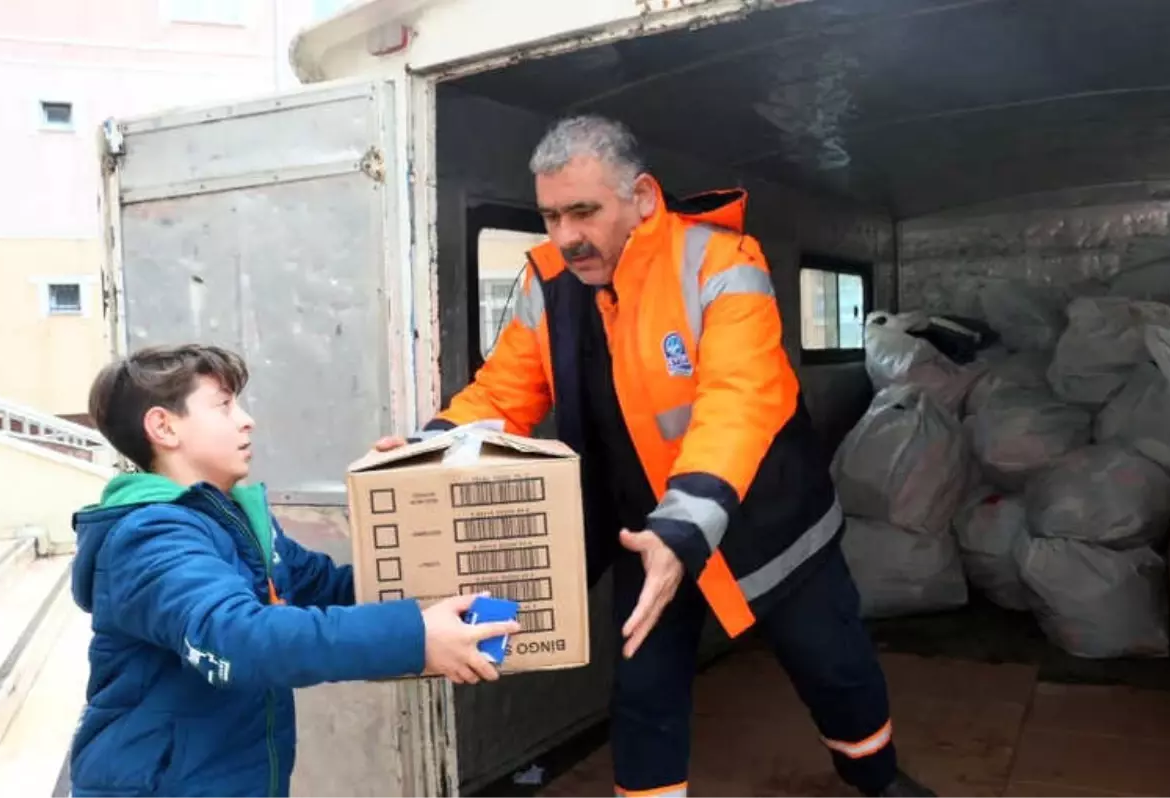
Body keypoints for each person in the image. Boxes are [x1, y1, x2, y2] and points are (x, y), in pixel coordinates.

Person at [377, 116, 935, 798]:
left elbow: (739, 397)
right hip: (648, 536)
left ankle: (877, 778)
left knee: (834, 666)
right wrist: (428, 449)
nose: (565, 236)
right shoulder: (546, 283)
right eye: (551, 215)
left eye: (584, 211)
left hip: (768, 525)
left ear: (642, 197)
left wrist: (685, 523)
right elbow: (504, 389)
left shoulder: (722, 261)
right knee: (643, 695)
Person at [69, 344, 518, 797]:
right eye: (224, 406)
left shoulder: (234, 520)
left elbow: (330, 588)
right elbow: (236, 638)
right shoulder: (150, 536)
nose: (246, 420)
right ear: (163, 427)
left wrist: (404, 491)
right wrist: (415, 638)